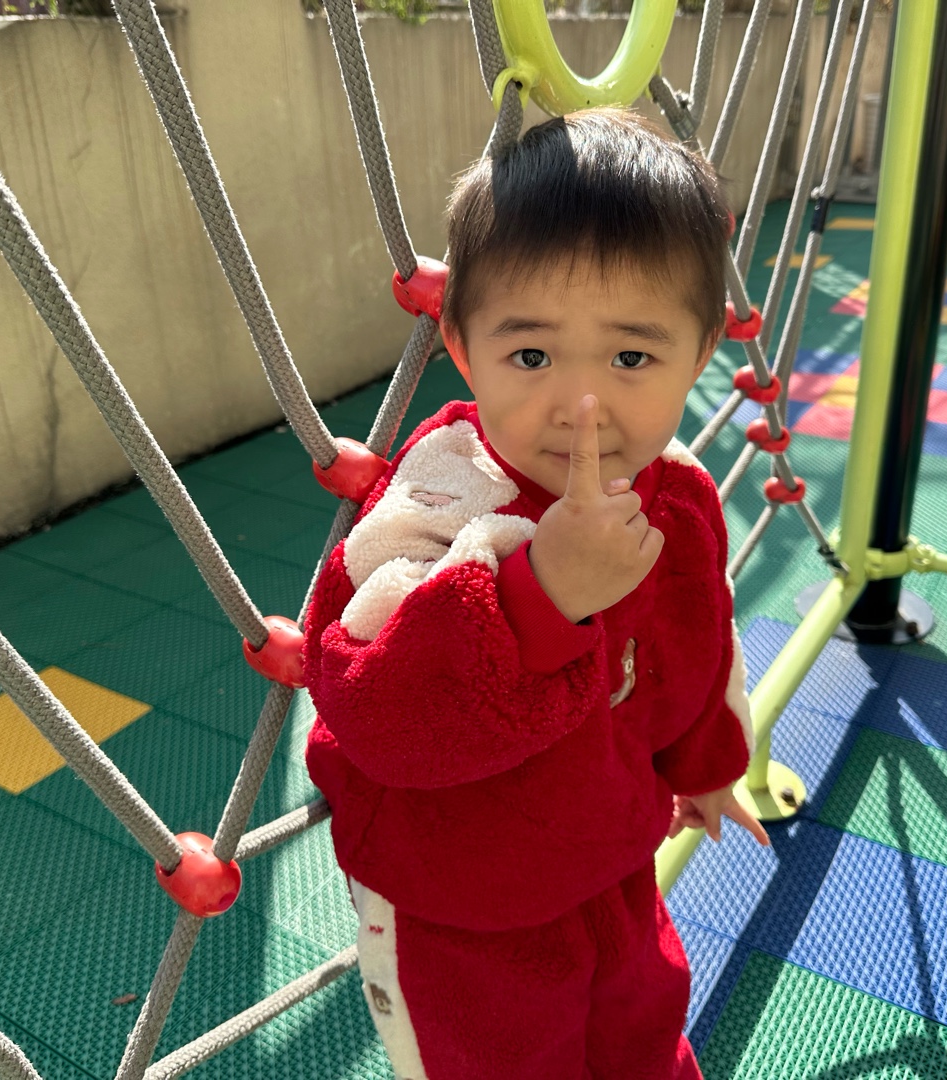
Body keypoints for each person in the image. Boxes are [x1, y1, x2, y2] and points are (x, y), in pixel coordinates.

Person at [302, 107, 770, 1080]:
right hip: (456, 905)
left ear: (699, 355)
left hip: (612, 860)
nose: (580, 405)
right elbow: (370, 706)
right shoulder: (439, 495)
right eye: (531, 355)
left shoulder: (676, 493)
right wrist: (537, 599)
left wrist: (707, 766)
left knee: (642, 1025)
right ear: (463, 347)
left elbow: (696, 644)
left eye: (632, 357)